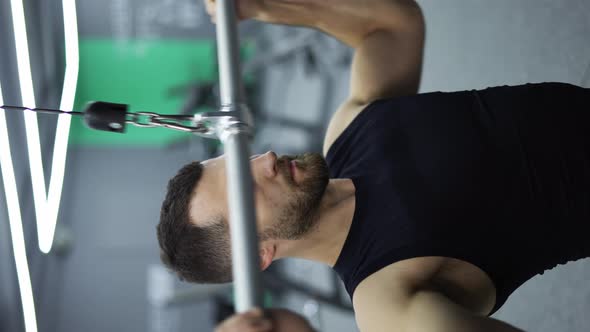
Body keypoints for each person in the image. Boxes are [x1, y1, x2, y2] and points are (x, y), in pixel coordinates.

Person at [157, 0, 590, 331]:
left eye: (243, 159)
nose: (266, 159)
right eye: (245, 189)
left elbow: (394, 26)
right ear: (261, 254)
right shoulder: (384, 298)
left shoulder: (350, 129)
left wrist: (266, 6)